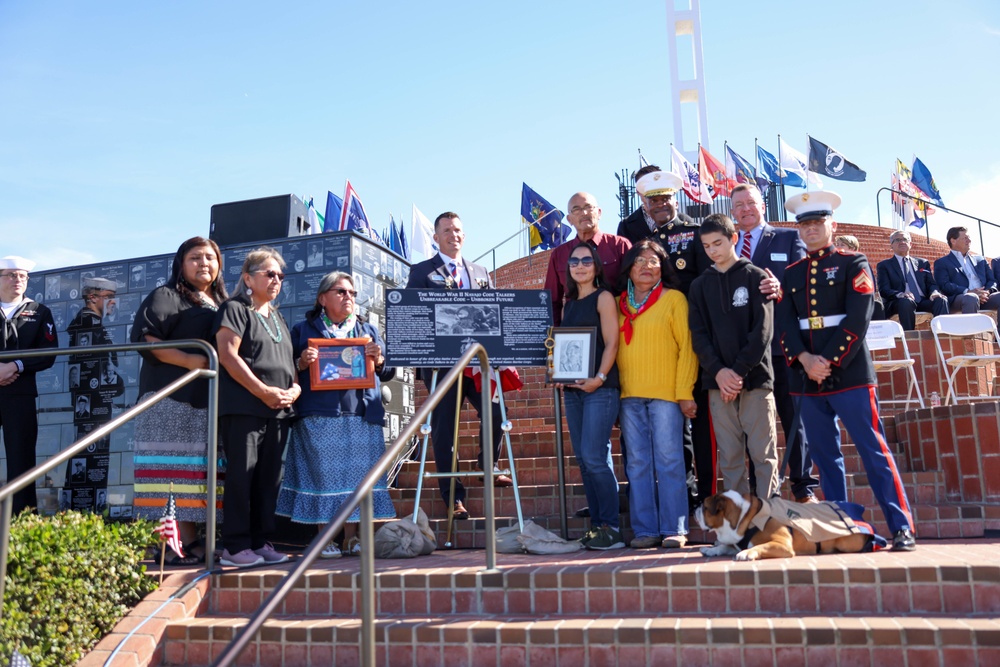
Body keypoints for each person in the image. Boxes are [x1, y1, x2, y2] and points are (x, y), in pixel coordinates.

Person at [775, 191, 916, 552]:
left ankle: (901, 526)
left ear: (831, 225)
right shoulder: (791, 274)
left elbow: (859, 316)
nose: (810, 230)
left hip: (849, 372)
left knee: (873, 451)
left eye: (817, 223)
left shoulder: (854, 262)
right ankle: (841, 528)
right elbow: (785, 325)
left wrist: (829, 361)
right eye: (803, 224)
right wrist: (806, 361)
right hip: (805, 377)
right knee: (825, 457)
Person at [278, 272, 396, 558]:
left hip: (361, 413)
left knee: (358, 478)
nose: (349, 298)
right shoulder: (302, 330)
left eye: (352, 293)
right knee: (323, 478)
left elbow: (388, 372)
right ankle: (325, 538)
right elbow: (283, 369)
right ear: (322, 298)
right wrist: (301, 362)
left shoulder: (367, 330)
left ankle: (352, 539)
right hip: (319, 414)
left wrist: (379, 359)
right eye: (341, 292)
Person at [405, 212, 511, 520]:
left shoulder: (479, 271)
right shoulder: (422, 271)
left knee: (496, 411)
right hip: (442, 365)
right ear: (435, 237)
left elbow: (492, 312)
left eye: (459, 230)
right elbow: (412, 314)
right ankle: (453, 496)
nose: (454, 234)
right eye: (447, 230)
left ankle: (487, 465)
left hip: (479, 365)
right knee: (444, 429)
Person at [131, 237, 229, 565]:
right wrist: (191, 361)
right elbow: (147, 341)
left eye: (210, 258)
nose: (204, 263)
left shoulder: (223, 302)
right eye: (195, 258)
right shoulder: (166, 295)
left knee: (193, 473)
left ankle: (189, 539)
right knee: (168, 473)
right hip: (169, 398)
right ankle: (167, 546)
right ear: (181, 264)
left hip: (206, 402)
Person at [730, 183, 818, 503]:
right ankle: (760, 490)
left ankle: (803, 485)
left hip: (781, 346)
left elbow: (803, 282)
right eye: (738, 205)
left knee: (792, 414)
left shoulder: (786, 237)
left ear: (763, 205)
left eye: (750, 203)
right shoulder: (728, 245)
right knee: (754, 424)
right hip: (744, 351)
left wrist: (782, 286)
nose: (744, 210)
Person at [214, 247, 300, 567]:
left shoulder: (277, 316)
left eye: (280, 275)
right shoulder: (235, 308)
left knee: (268, 480)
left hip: (278, 410)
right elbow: (227, 355)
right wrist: (263, 391)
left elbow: (289, 365)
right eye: (269, 274)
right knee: (242, 476)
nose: (276, 279)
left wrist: (294, 389)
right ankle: (235, 547)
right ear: (248, 278)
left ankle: (260, 541)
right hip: (244, 408)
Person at [635, 170, 713, 511]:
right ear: (646, 206)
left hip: (691, 335)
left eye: (665, 199)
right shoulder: (643, 241)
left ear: (675, 199)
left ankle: (704, 493)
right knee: (672, 421)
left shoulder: (694, 233)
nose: (660, 205)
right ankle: (683, 488)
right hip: (656, 342)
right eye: (654, 201)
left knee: (696, 418)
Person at [688, 214, 779, 500]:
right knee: (729, 458)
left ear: (733, 239)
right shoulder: (699, 286)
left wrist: (737, 372)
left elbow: (762, 331)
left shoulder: (756, 277)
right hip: (717, 384)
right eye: (706, 246)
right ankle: (737, 525)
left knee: (764, 456)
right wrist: (719, 372)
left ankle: (767, 520)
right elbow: (699, 335)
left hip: (755, 380)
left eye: (718, 243)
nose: (713, 250)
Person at [616, 239, 699, 549]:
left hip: (666, 395)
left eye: (653, 261)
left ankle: (675, 527)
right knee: (637, 463)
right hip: (628, 395)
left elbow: (687, 349)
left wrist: (683, 392)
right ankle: (645, 529)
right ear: (628, 268)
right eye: (639, 261)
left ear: (662, 267)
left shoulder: (674, 299)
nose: (646, 267)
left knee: (669, 460)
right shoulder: (617, 303)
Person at [559, 244, 623, 551]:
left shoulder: (604, 298)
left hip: (601, 388)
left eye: (586, 260)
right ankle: (598, 526)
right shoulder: (569, 303)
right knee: (585, 460)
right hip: (573, 392)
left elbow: (612, 343)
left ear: (596, 266)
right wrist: (560, 374)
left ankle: (611, 527)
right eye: (574, 261)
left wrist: (598, 378)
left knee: (595, 457)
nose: (580, 265)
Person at [0, 255, 58, 515]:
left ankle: (21, 521)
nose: (18, 280)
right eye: (11, 275)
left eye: (23, 276)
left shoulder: (39, 311)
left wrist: (15, 366)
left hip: (20, 394)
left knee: (21, 458)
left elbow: (48, 352)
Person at [544, 192, 632, 325]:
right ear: (569, 220)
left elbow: (634, 290)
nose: (584, 212)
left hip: (616, 326)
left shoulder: (620, 246)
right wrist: (557, 337)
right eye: (576, 209)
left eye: (588, 207)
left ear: (599, 212)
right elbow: (551, 302)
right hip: (575, 333)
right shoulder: (559, 255)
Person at [876, 230, 949, 330]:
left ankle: (943, 334)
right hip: (899, 301)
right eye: (897, 240)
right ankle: (909, 336)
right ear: (891, 246)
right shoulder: (884, 266)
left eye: (905, 239)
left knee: (941, 300)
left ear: (910, 244)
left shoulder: (922, 263)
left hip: (922, 300)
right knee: (906, 302)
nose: (902, 242)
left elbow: (931, 284)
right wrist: (900, 294)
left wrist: (934, 292)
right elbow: (884, 290)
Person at [933, 226, 1000, 313]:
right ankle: (972, 327)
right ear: (953, 240)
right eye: (965, 238)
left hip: (984, 297)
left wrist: (987, 292)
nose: (969, 241)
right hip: (960, 298)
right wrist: (968, 291)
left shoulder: (980, 260)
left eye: (969, 238)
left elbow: (992, 280)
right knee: (971, 297)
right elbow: (944, 285)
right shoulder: (942, 262)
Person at [616, 164, 674, 244]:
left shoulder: (680, 221)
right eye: (645, 186)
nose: (651, 191)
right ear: (637, 191)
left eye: (654, 185)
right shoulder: (626, 226)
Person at [835, 235, 885, 321]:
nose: (838, 247)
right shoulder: (833, 265)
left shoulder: (861, 265)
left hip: (858, 301)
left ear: (853, 248)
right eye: (837, 244)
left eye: (842, 245)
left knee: (877, 306)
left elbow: (869, 288)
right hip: (838, 303)